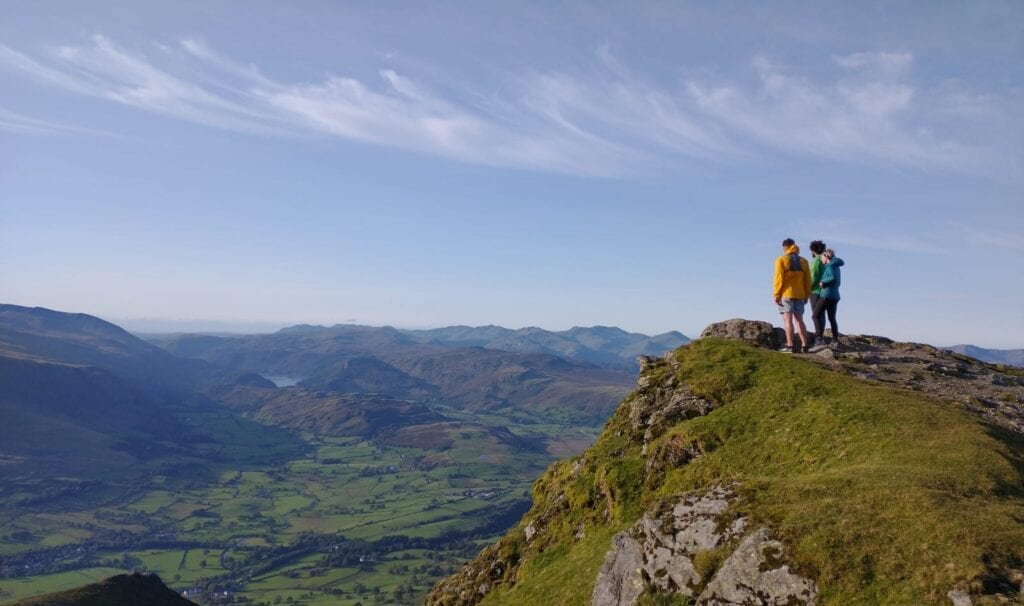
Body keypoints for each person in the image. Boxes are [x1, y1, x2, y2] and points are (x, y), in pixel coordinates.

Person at [773, 238, 812, 353]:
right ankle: (805, 346)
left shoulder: (781, 260)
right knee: (800, 320)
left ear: (785, 247)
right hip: (800, 294)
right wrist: (807, 294)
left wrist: (776, 294)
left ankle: (790, 346)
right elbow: (808, 280)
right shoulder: (804, 261)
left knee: (787, 320)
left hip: (786, 294)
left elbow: (778, 279)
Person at [812, 248, 844, 348]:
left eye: (822, 256)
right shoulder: (835, 265)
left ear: (826, 256)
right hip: (835, 296)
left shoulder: (830, 266)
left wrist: (823, 283)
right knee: (832, 318)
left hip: (826, 294)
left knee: (815, 315)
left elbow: (832, 277)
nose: (821, 259)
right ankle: (835, 340)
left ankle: (818, 339)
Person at [807, 240, 827, 343]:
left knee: (815, 315)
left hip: (815, 291)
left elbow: (813, 277)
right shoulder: (826, 261)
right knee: (821, 315)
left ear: (812, 250)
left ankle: (818, 338)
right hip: (825, 292)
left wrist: (807, 289)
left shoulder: (816, 261)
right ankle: (821, 336)